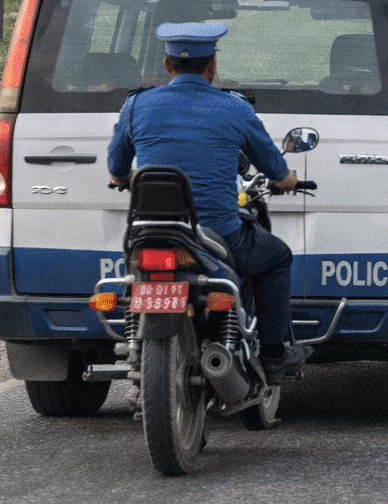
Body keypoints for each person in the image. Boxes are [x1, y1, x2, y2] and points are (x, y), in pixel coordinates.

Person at [108, 22, 311, 380]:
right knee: (277, 258)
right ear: (212, 65)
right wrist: (289, 180)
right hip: (218, 236)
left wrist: (122, 180)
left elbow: (116, 167)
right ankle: (276, 355)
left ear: (167, 66)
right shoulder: (234, 108)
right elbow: (275, 169)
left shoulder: (136, 105)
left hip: (151, 234)